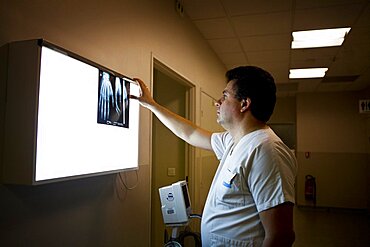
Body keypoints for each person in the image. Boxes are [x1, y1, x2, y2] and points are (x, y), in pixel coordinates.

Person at [132, 66, 297, 247]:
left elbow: (280, 236)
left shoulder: (266, 151)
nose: (217, 102)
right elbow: (190, 133)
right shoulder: (234, 141)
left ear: (244, 104)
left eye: (225, 96)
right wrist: (152, 105)